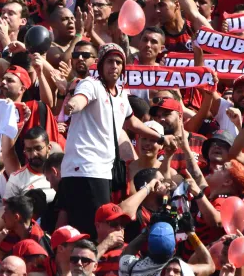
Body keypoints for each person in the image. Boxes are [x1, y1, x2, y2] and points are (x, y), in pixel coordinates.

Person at [60, 43, 175, 238]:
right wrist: (73, 105)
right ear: (101, 65)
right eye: (110, 61)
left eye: (119, 62)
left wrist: (161, 137)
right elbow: (81, 98)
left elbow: (132, 122)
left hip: (102, 170)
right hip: (85, 168)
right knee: (92, 229)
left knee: (95, 227)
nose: (114, 66)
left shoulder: (121, 95)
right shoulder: (91, 84)